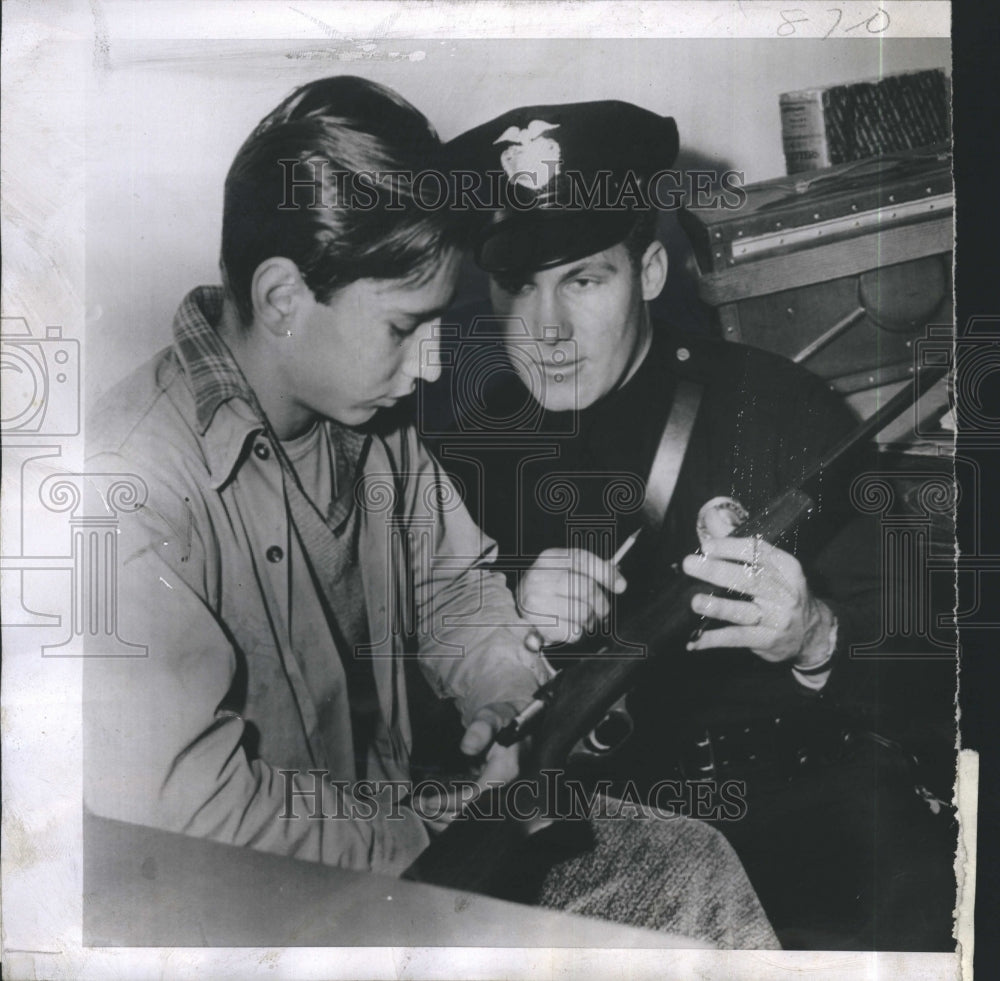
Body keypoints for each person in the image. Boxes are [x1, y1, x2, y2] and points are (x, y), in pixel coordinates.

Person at [83, 76, 778, 948]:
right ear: (283, 300)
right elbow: (195, 808)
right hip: (245, 917)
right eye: (403, 327)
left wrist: (508, 697)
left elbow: (452, 589)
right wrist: (442, 828)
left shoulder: (367, 416)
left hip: (406, 859)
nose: (428, 364)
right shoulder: (122, 485)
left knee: (691, 869)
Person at [429, 100, 954, 948]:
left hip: (804, 822)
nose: (546, 327)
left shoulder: (776, 406)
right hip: (597, 847)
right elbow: (408, 728)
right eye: (519, 285)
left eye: (584, 280)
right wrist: (502, 629)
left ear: (650, 271)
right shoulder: (465, 456)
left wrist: (817, 636)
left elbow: (937, 672)